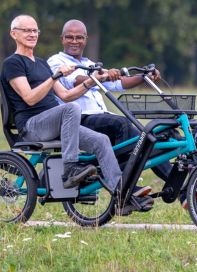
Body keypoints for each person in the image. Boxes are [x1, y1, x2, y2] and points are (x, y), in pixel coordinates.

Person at [0, 15, 122, 193]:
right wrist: (55, 76)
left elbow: (66, 95)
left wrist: (92, 80)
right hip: (32, 126)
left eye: (35, 30)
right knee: (71, 109)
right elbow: (30, 98)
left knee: (101, 141)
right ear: (14, 34)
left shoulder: (41, 63)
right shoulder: (13, 63)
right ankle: (70, 169)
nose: (32, 34)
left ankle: (121, 194)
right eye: (26, 30)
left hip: (54, 125)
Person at [47, 19, 172, 190]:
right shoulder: (56, 61)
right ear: (62, 39)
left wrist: (144, 76)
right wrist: (103, 76)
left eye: (79, 37)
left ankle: (177, 186)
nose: (74, 41)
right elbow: (73, 81)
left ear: (85, 39)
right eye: (69, 37)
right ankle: (122, 187)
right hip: (78, 120)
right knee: (123, 125)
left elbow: (118, 84)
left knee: (146, 136)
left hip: (100, 118)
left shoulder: (89, 63)